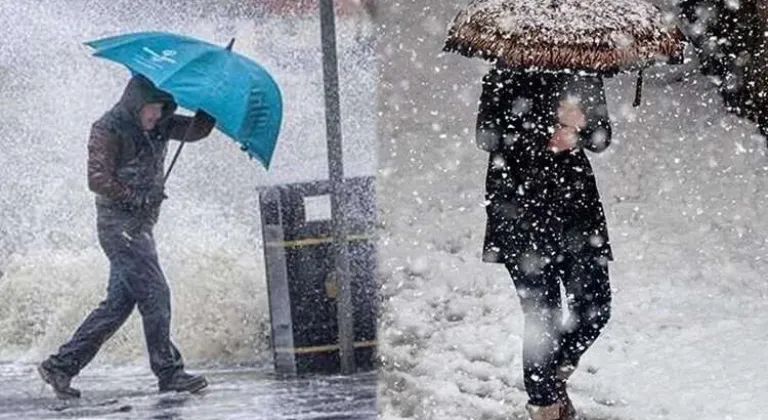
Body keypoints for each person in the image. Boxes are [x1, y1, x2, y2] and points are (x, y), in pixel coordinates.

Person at [38, 74, 216, 399]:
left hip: (140, 227)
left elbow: (196, 131)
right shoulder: (107, 128)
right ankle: (169, 372)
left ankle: (60, 366)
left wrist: (211, 105)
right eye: (152, 109)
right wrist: (136, 197)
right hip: (118, 227)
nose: (156, 116)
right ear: (136, 103)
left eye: (162, 109)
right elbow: (97, 179)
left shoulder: (160, 123)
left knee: (118, 305)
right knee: (156, 294)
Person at [476, 66, 613, 420]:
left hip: (576, 212)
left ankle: (554, 376)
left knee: (595, 306)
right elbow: (487, 137)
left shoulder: (582, 71)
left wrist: (580, 131)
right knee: (543, 318)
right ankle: (545, 407)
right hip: (520, 211)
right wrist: (546, 128)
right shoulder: (503, 74)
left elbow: (602, 137)